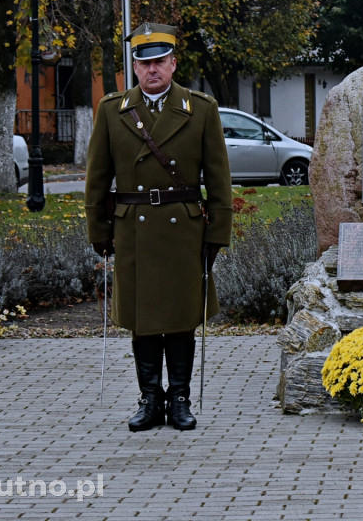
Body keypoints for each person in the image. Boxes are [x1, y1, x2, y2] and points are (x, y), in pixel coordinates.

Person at [85, 23, 233, 431]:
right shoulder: (112, 110)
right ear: (134, 67)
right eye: (144, 63)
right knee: (143, 317)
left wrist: (217, 233)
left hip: (183, 229)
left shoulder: (200, 109)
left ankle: (180, 399)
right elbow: (97, 178)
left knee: (182, 316)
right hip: (134, 229)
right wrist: (99, 232)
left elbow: (219, 178)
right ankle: (150, 399)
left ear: (173, 63)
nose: (153, 70)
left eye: (160, 62)